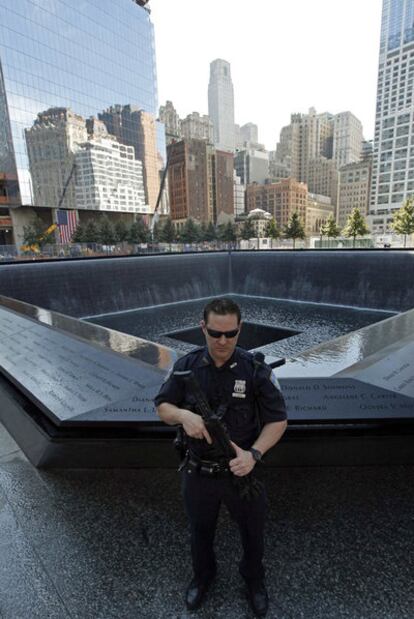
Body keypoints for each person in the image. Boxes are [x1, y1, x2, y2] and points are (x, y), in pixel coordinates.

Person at [154, 298, 287, 617]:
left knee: (253, 534)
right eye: (215, 333)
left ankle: (254, 581)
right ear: (203, 328)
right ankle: (203, 577)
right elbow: (162, 406)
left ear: (240, 329)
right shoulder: (185, 366)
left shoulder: (255, 369)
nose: (223, 341)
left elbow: (278, 420)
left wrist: (254, 454)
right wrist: (184, 415)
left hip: (242, 472)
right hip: (198, 473)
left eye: (230, 333)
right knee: (200, 532)